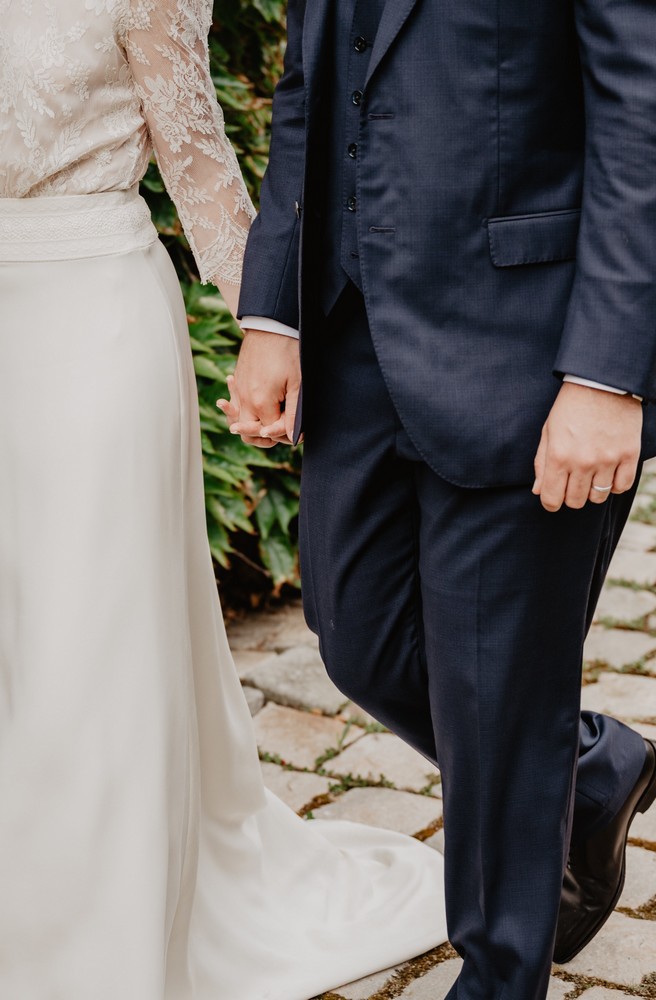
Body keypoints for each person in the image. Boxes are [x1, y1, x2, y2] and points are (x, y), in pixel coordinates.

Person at [0, 2, 447, 998]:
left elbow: (200, 170)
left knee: (85, 652)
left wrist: (276, 334)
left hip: (91, 330)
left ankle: (92, 952)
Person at [228, 1, 656, 997]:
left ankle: (500, 972)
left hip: (526, 343)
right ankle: (589, 768)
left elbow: (645, 107)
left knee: (501, 690)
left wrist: (604, 375)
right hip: (356, 337)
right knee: (356, 634)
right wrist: (273, 311)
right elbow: (308, 86)